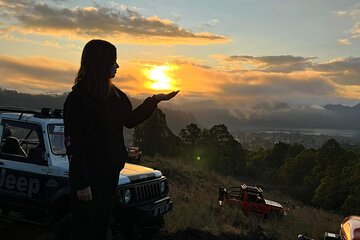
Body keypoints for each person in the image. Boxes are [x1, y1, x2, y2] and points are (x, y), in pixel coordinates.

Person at [63, 39, 178, 240]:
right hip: (88, 177)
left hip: (109, 174)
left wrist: (154, 101)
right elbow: (74, 143)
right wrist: (81, 183)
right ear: (100, 63)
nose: (117, 66)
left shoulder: (115, 96)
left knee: (101, 225)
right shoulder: (77, 100)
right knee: (83, 228)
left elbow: (130, 120)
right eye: (113, 61)